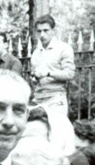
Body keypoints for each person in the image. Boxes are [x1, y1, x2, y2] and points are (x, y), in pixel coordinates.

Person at [29, 14, 76, 155]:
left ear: (53, 31)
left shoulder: (64, 48)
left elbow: (69, 74)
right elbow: (36, 75)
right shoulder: (36, 53)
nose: (42, 34)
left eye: (46, 30)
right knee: (38, 138)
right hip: (38, 100)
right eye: (39, 31)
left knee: (57, 139)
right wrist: (34, 78)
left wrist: (48, 73)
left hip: (56, 100)